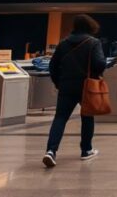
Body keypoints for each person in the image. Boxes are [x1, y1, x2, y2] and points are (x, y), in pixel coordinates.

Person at [42, 14, 107, 168]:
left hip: (66, 85)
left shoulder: (63, 43)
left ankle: (51, 151)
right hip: (87, 86)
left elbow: (52, 66)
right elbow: (99, 64)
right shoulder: (93, 42)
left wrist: (58, 82)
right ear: (90, 26)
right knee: (87, 117)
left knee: (60, 118)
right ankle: (86, 150)